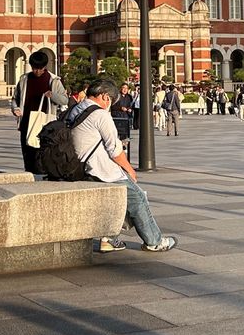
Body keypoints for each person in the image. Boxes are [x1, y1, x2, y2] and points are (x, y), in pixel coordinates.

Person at [68, 79, 176, 253]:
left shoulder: (75, 109)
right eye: (111, 100)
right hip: (99, 170)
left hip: (77, 168)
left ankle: (109, 238)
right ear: (104, 96)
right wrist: (129, 169)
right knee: (137, 197)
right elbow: (114, 150)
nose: (111, 104)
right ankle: (154, 241)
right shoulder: (100, 114)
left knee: (123, 198)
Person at [11, 50, 69, 173]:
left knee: (42, 156)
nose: (37, 71)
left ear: (45, 67)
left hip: (45, 125)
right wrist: (15, 108)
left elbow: (64, 100)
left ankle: (42, 179)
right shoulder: (24, 79)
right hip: (26, 123)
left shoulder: (54, 81)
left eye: (40, 68)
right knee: (28, 155)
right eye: (34, 68)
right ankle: (29, 176)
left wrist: (52, 95)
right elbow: (15, 98)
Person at [111, 83, 134, 151]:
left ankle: (123, 147)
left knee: (124, 133)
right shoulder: (117, 96)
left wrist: (130, 109)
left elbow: (130, 105)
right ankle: (116, 147)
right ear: (121, 88)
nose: (125, 90)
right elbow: (112, 106)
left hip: (125, 117)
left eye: (126, 88)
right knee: (116, 133)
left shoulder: (129, 97)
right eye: (123, 88)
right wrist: (120, 108)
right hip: (117, 116)